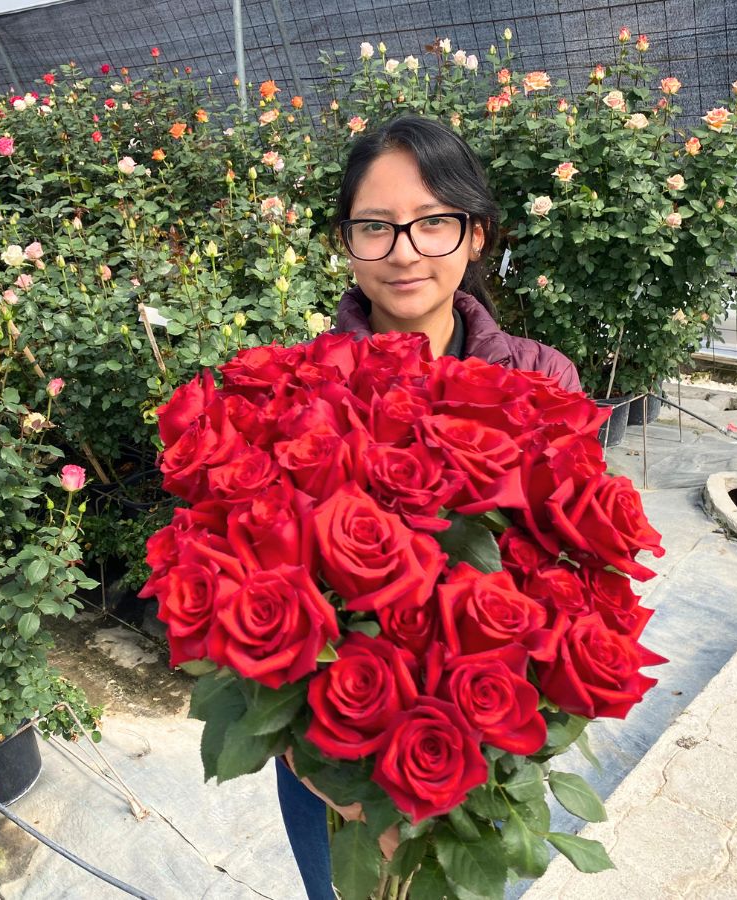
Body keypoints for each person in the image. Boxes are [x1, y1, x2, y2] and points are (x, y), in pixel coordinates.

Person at [275, 114, 580, 899]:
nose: (404, 251)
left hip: (474, 758)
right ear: (345, 241)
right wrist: (337, 781)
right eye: (375, 227)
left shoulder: (545, 382)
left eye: (433, 223)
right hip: (332, 766)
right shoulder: (293, 394)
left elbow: (573, 580)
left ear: (475, 235)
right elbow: (259, 591)